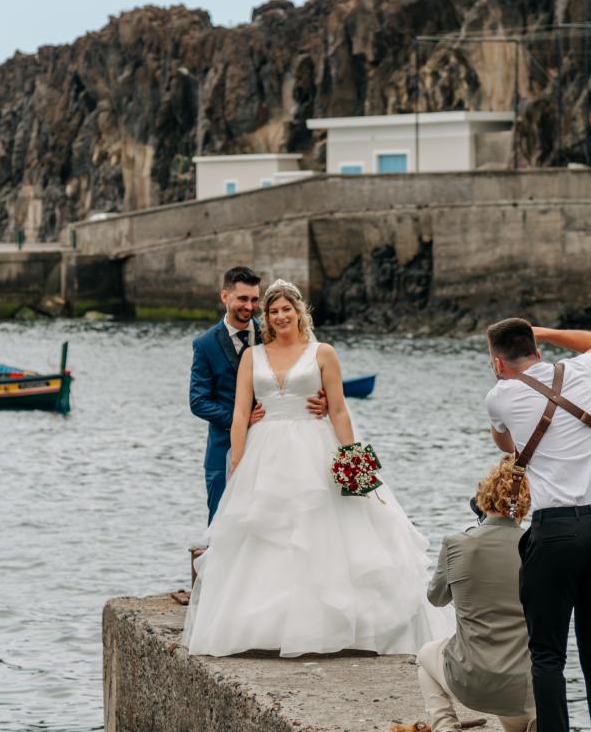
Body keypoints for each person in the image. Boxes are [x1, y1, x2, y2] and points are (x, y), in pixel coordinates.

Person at [183, 279, 443, 657]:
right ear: (266, 317)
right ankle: (264, 628)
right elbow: (240, 413)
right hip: (265, 451)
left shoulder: (323, 353)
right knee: (267, 534)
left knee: (324, 531)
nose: (280, 315)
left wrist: (353, 461)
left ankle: (334, 626)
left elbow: (337, 409)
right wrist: (237, 461)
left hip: (314, 446)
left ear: (299, 311)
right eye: (272, 311)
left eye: (286, 309)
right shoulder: (252, 357)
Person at [485, 320, 591, 732]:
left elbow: (507, 447)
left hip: (556, 530)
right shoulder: (581, 372)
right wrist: (546, 330)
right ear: (537, 347)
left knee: (547, 653)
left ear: (498, 362)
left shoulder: (500, 394)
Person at [419, 459, 539, 732]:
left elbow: (435, 598)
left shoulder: (457, 543)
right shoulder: (537, 547)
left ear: (482, 499)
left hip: (467, 678)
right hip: (520, 685)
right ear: (524, 504)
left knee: (425, 655)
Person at [189, 266, 326, 523]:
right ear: (224, 297)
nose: (249, 306)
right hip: (225, 449)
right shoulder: (205, 345)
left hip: (279, 450)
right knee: (222, 526)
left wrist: (323, 400)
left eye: (254, 300)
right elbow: (198, 401)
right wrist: (241, 420)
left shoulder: (271, 332)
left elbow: (307, 367)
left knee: (277, 525)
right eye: (242, 298)